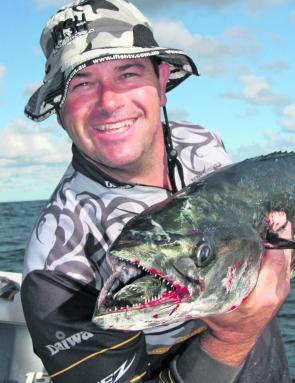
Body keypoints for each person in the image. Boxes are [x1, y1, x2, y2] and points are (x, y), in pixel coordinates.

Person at [21, 0, 292, 382]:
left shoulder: (198, 142)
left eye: (127, 74)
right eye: (81, 84)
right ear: (60, 109)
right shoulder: (57, 271)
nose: (109, 102)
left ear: (162, 82)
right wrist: (232, 336)